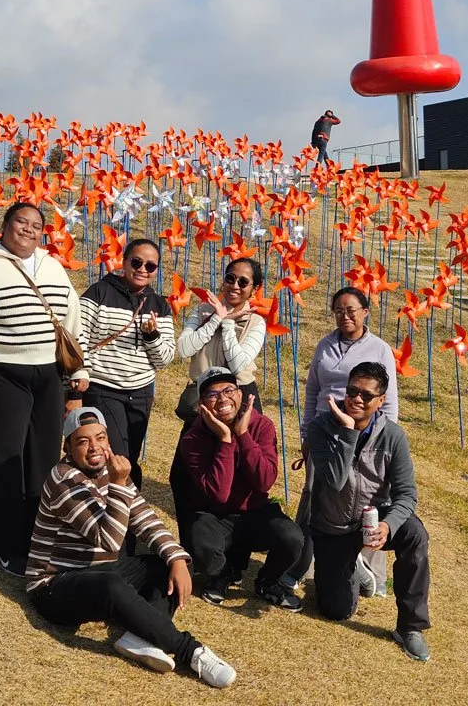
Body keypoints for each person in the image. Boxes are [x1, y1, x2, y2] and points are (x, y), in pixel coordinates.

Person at [26, 407, 236, 687]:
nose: (94, 448)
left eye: (100, 438)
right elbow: (110, 541)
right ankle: (192, 652)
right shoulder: (63, 479)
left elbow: (146, 520)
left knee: (171, 560)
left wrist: (176, 559)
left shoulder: (111, 469)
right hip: (55, 585)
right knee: (110, 584)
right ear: (67, 447)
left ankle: (139, 638)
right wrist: (118, 483)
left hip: (101, 572)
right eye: (82, 441)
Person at [0, 202, 90, 576]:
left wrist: (79, 367)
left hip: (48, 376)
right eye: (20, 222)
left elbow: (70, 319)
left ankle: (34, 538)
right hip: (0, 373)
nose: (27, 229)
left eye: (35, 225)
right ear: (5, 226)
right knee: (3, 458)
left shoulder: (52, 265)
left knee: (42, 459)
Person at [306, 362, 431, 662]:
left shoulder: (393, 437)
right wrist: (348, 432)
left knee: (415, 534)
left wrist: (388, 526)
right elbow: (334, 481)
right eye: (352, 391)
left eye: (366, 395)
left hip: (371, 520)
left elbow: (406, 494)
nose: (356, 399)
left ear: (381, 400)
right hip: (333, 526)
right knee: (337, 611)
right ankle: (354, 567)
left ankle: (410, 627)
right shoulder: (320, 428)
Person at [284, 286, 398, 592]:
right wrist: (307, 432)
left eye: (351, 310)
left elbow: (389, 402)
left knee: (367, 499)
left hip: (363, 434)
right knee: (314, 494)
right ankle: (300, 565)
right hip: (325, 431)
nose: (344, 316)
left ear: (365, 312)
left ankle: (368, 571)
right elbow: (312, 392)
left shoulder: (379, 349)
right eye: (338, 311)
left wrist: (383, 439)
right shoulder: (325, 344)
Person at [179, 367, 304, 611]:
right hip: (213, 514)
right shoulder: (193, 438)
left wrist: (243, 435)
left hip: (254, 511)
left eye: (229, 390)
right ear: (202, 404)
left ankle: (268, 582)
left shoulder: (261, 426)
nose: (223, 399)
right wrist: (226, 440)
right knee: (201, 548)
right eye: (213, 395)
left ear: (241, 394)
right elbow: (219, 494)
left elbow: (264, 481)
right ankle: (224, 573)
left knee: (291, 538)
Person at [170, 258, 267, 544]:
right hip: (202, 400)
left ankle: (233, 555)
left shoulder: (256, 321)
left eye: (243, 282)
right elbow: (183, 348)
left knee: (241, 478)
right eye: (230, 278)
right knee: (183, 475)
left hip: (239, 401)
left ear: (254, 288)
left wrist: (227, 326)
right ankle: (191, 545)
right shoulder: (201, 310)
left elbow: (239, 366)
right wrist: (215, 318)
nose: (234, 286)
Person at [80, 238, 174, 496]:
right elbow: (78, 338)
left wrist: (151, 336)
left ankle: (127, 517)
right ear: (123, 262)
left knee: (129, 456)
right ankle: (120, 523)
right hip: (103, 387)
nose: (143, 269)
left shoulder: (160, 306)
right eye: (136, 262)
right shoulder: (99, 292)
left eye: (151, 265)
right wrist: (78, 383)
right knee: (117, 457)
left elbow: (164, 359)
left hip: (141, 391)